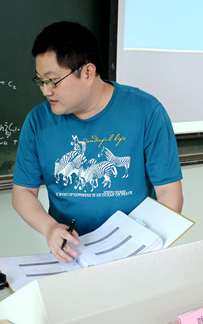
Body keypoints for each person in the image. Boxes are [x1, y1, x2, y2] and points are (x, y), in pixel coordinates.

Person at [12, 21, 183, 262]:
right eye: (40, 81)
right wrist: (49, 228)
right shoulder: (38, 121)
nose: (45, 91)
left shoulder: (146, 111)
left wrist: (148, 246)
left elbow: (169, 192)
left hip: (135, 254)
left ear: (88, 72)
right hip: (73, 256)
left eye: (53, 81)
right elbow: (23, 192)